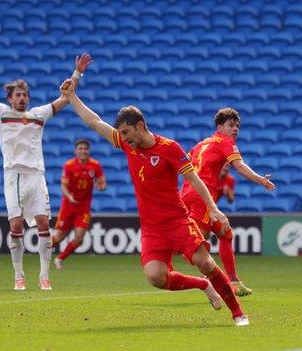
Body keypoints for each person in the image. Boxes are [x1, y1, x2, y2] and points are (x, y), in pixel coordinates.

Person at [59, 79, 249, 327]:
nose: (123, 138)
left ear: (140, 126)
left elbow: (194, 178)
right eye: (122, 134)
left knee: (205, 262)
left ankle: (238, 313)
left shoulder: (170, 148)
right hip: (151, 228)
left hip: (177, 221)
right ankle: (203, 285)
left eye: (126, 132)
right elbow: (94, 122)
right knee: (155, 277)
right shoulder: (129, 147)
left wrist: (214, 209)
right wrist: (72, 97)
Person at [0, 42, 92, 291]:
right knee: (16, 225)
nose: (22, 98)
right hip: (13, 175)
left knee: (43, 224)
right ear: (10, 98)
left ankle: (44, 276)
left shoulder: (38, 114)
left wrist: (77, 73)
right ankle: (19, 276)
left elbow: (66, 97)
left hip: (36, 175)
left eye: (25, 94)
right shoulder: (0, 113)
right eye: (18, 95)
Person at [180, 107, 276, 297]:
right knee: (196, 245)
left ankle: (233, 281)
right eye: (231, 125)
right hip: (202, 195)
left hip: (188, 194)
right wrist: (261, 180)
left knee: (225, 232)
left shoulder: (201, 144)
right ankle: (213, 282)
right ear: (219, 127)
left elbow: (184, 164)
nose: (235, 129)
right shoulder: (225, 142)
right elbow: (239, 167)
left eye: (237, 126)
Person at [52, 139, 107, 269]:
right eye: (80, 149)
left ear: (89, 150)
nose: (83, 151)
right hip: (68, 206)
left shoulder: (95, 165)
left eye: (85, 149)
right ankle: (43, 253)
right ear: (75, 151)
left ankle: (59, 258)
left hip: (83, 207)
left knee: (80, 237)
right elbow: (63, 186)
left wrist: (102, 187)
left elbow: (102, 182)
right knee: (59, 237)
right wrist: (69, 196)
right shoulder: (69, 165)